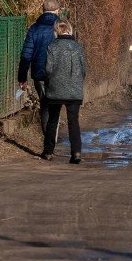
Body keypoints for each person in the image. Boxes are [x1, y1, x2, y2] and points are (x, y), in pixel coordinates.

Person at [41, 19, 86, 164]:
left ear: (56, 31)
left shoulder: (52, 47)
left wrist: (51, 82)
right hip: (74, 90)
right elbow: (83, 70)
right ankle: (76, 153)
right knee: (73, 121)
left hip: (55, 89)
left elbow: (48, 69)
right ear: (70, 30)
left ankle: (48, 152)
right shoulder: (78, 47)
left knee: (52, 120)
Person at [18, 0, 60, 134]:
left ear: (42, 11)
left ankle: (48, 141)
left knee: (45, 105)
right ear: (57, 11)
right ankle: (52, 139)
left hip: (39, 72)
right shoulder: (61, 28)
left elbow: (26, 55)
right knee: (55, 105)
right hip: (57, 73)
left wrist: (22, 78)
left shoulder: (34, 29)